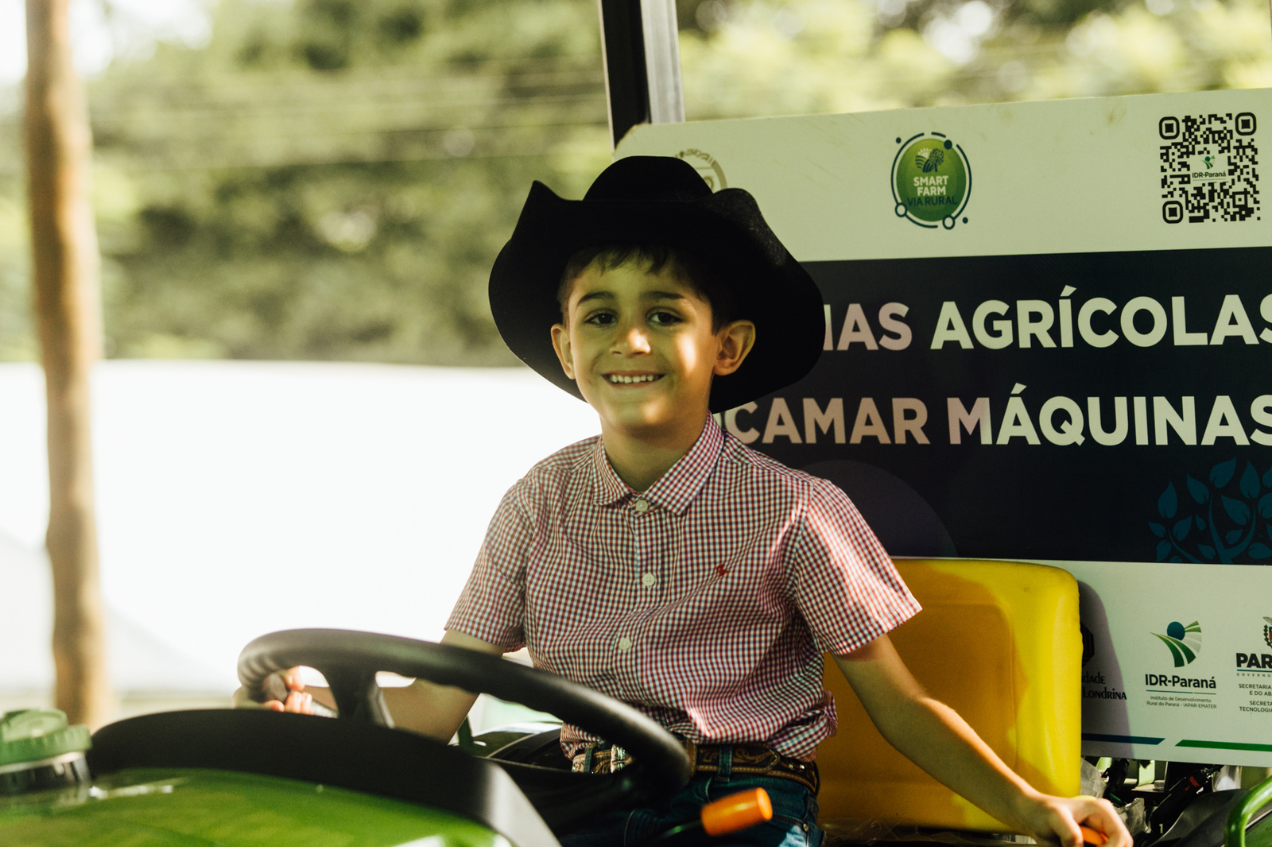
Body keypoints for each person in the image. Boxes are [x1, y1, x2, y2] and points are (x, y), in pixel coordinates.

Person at [241, 156, 1129, 847]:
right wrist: (316, 711)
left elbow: (898, 705)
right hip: (579, 802)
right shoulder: (535, 505)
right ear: (564, 345)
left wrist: (1034, 804)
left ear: (727, 346)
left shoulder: (793, 510)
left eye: (665, 314)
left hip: (742, 804)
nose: (630, 339)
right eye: (599, 316)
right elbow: (434, 708)